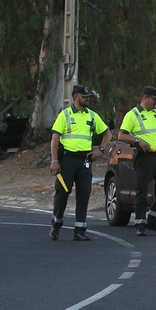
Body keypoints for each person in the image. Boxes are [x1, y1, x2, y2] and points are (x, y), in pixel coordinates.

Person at [48, 84, 110, 241]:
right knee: (63, 192)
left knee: (84, 193)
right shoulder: (65, 115)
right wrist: (54, 161)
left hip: (84, 160)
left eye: (88, 96)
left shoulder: (92, 116)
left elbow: (107, 133)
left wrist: (100, 149)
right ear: (76, 97)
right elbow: (55, 139)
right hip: (67, 159)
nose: (87, 99)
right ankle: (57, 222)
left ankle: (80, 229)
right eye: (84, 96)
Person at [119, 86, 156, 234]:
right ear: (145, 98)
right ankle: (140, 223)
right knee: (142, 189)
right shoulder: (133, 114)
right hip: (144, 157)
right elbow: (122, 135)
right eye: (154, 99)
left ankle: (154, 219)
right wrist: (137, 140)